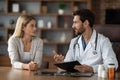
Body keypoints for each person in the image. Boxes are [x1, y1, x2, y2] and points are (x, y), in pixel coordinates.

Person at [54, 9, 118, 73]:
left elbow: (112, 65)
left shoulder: (103, 41)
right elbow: (69, 64)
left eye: (75, 22)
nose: (73, 26)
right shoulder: (74, 42)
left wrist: (92, 69)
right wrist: (62, 63)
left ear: (86, 23)